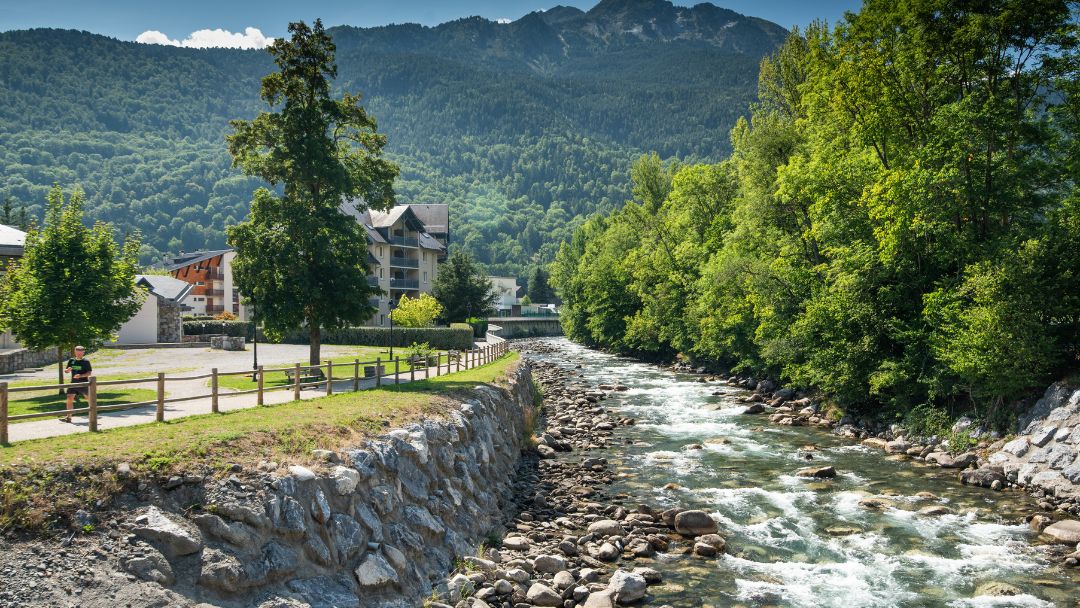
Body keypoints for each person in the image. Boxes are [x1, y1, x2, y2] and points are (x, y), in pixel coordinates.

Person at [63, 346, 92, 423]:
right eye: (77, 352)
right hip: (73, 383)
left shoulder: (86, 361)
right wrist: (67, 370)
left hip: (83, 384)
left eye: (81, 352)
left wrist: (81, 375)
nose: (79, 353)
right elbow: (66, 371)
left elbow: (89, 373)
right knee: (69, 398)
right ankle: (68, 417)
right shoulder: (71, 360)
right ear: (75, 352)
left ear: (83, 352)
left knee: (89, 399)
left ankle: (92, 415)